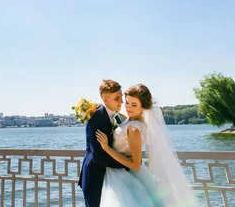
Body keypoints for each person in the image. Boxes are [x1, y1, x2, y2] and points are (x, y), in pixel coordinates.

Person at [95, 84, 199, 207]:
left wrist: (107, 148)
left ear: (143, 107)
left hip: (123, 173)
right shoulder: (133, 119)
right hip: (119, 171)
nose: (128, 107)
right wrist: (104, 106)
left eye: (134, 105)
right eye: (127, 102)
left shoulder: (134, 129)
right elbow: (123, 113)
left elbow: (136, 165)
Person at [78, 79, 127, 207]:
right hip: (95, 178)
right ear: (106, 99)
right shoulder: (97, 118)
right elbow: (98, 156)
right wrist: (126, 163)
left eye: (121, 97)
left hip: (108, 177)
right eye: (117, 98)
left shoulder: (114, 115)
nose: (121, 101)